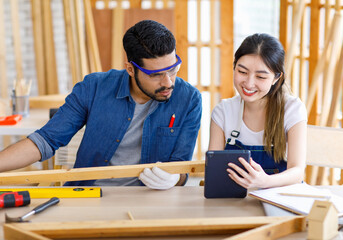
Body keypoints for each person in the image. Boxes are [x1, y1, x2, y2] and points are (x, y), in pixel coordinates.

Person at [0, 20, 202, 189]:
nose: (168, 82)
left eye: (173, 69)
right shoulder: (94, 87)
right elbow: (46, 141)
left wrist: (175, 177)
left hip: (150, 200)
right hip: (87, 193)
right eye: (156, 74)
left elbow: (182, 167)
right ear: (131, 69)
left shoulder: (189, 99)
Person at [208, 33, 306, 189]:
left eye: (260, 77)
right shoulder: (223, 112)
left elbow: (298, 171)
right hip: (236, 199)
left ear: (276, 78)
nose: (249, 83)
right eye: (242, 72)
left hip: (282, 197)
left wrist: (265, 182)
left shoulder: (292, 109)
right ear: (234, 67)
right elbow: (214, 170)